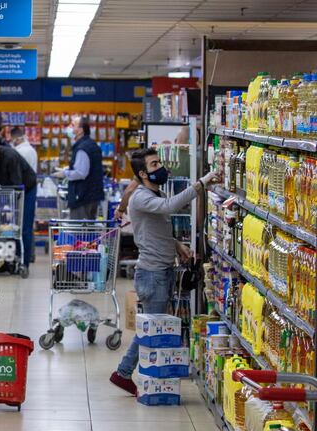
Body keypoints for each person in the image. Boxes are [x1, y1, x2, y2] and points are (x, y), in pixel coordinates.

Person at [109, 148, 220, 395]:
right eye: (154, 163)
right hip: (153, 274)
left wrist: (177, 245)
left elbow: (156, 231)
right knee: (152, 328)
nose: (161, 166)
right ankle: (123, 373)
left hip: (161, 271)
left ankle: (147, 374)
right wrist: (200, 184)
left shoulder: (153, 191)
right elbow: (169, 206)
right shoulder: (141, 197)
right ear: (142, 173)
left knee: (154, 327)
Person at [0, 139, 37, 272]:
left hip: (26, 190)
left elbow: (17, 183)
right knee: (5, 227)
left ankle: (24, 262)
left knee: (23, 226)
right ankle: (7, 261)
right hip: (6, 192)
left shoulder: (10, 156)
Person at [51, 116, 105, 220]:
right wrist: (68, 168)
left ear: (80, 130)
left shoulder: (82, 148)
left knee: (79, 230)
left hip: (82, 197)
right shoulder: (91, 144)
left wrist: (65, 173)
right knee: (88, 231)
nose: (69, 127)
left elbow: (81, 173)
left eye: (72, 125)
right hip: (92, 195)